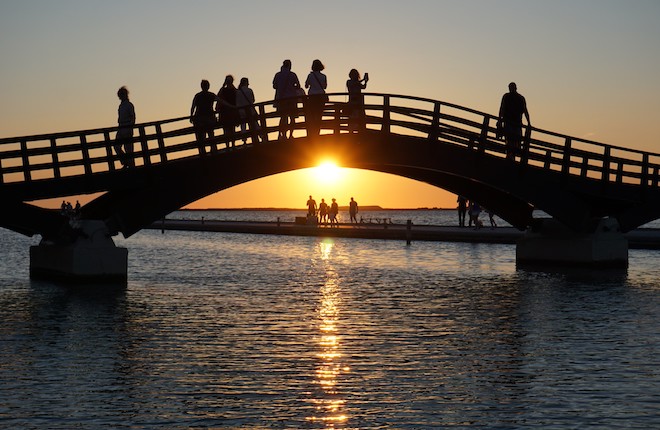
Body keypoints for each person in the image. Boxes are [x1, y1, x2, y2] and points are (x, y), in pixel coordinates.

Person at [498, 82, 531, 159]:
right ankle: (510, 156)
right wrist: (499, 120)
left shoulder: (518, 98)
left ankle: (511, 156)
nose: (510, 89)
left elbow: (525, 111)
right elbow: (502, 109)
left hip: (515, 123)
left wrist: (529, 122)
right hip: (512, 122)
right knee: (512, 140)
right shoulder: (515, 97)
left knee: (513, 140)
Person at [273, 59, 302, 139]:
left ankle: (282, 134)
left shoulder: (278, 75)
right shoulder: (293, 75)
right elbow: (298, 86)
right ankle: (291, 135)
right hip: (292, 99)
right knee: (292, 118)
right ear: (290, 65)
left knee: (283, 117)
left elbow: (274, 86)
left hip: (281, 99)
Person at [190, 79, 217, 149]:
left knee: (201, 137)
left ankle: (203, 151)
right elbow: (221, 101)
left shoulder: (198, 96)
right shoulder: (211, 95)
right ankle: (213, 149)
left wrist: (191, 116)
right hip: (209, 118)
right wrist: (232, 107)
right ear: (208, 86)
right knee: (211, 135)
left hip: (199, 118)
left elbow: (193, 107)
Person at [304, 59, 328, 137]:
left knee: (312, 115)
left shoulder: (310, 75)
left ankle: (312, 133)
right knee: (319, 115)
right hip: (321, 97)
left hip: (312, 97)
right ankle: (317, 132)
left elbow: (306, 86)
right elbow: (325, 86)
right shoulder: (323, 76)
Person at [114, 86, 136, 168]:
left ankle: (130, 165)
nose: (119, 97)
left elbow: (133, 117)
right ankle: (126, 162)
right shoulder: (121, 106)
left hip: (127, 128)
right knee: (116, 146)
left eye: (121, 94)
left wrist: (130, 127)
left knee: (128, 149)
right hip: (121, 127)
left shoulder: (129, 105)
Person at [236, 77, 260, 144]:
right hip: (250, 110)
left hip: (241, 111)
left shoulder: (238, 92)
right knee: (255, 124)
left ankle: (244, 141)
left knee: (243, 126)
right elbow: (253, 100)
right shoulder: (249, 90)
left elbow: (237, 102)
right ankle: (261, 136)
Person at [217, 75, 239, 147]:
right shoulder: (226, 89)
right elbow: (218, 96)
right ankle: (229, 145)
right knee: (228, 129)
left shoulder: (232, 90)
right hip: (226, 112)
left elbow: (218, 96)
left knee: (230, 129)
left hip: (229, 112)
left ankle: (231, 144)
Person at [346, 68, 369, 133]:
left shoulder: (357, 83)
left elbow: (363, 87)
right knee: (352, 118)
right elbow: (354, 84)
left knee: (358, 118)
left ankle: (358, 132)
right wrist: (363, 80)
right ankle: (351, 133)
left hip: (357, 102)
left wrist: (366, 81)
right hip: (353, 102)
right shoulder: (349, 82)